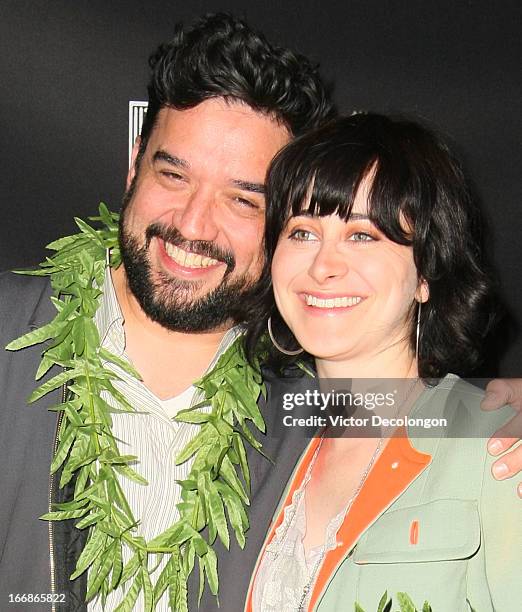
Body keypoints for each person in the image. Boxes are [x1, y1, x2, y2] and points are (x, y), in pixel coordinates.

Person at [0, 13, 520, 612]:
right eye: (174, 175)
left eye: (243, 200)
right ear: (134, 165)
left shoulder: (300, 403)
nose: (194, 225)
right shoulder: (14, 332)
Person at [235, 113, 520, 611]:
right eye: (302, 232)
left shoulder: (497, 449)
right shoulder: (256, 447)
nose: (323, 266)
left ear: (426, 272)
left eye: (363, 236)